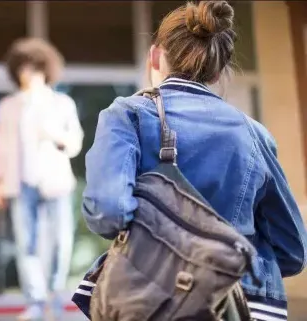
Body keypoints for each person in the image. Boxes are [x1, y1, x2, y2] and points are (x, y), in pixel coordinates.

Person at [81, 1, 307, 321]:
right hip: (244, 303)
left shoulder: (127, 115)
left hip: (151, 300)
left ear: (155, 56)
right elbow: (293, 251)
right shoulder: (255, 134)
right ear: (218, 71)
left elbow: (108, 212)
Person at [0, 38, 84, 321]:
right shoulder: (8, 106)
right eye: (21, 68)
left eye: (31, 67)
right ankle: (35, 300)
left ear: (45, 69)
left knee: (61, 242)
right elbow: (1, 147)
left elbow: (75, 143)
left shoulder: (61, 103)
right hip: (22, 183)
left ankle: (54, 298)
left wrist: (54, 133)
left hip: (55, 182)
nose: (26, 73)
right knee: (26, 244)